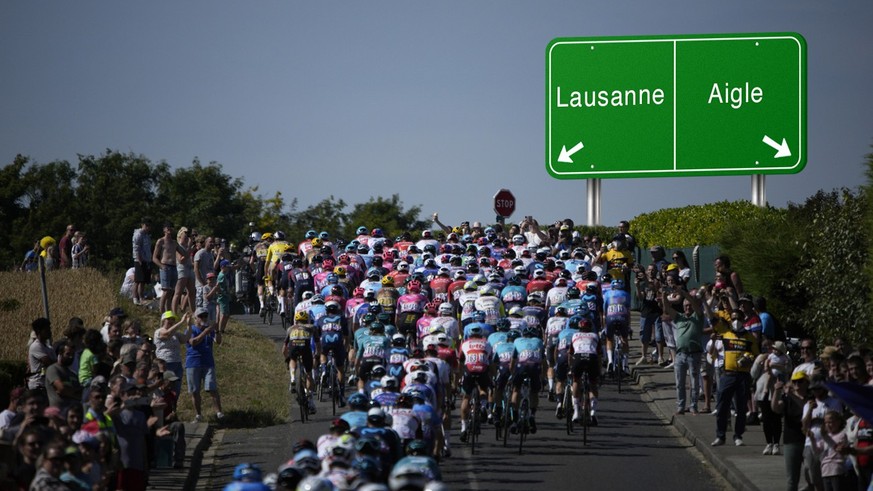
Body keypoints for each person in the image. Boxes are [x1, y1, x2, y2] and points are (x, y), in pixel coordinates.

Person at [711, 308, 759, 447]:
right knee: (722, 406)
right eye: (733, 318)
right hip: (727, 374)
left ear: (743, 320)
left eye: (738, 318)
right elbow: (712, 317)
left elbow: (755, 355)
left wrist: (748, 357)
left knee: (741, 408)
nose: (736, 321)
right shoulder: (726, 335)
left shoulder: (749, 337)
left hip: (743, 375)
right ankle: (720, 435)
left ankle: (738, 435)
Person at [664, 287, 704, 415]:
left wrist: (684, 294)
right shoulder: (679, 317)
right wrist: (664, 296)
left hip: (694, 354)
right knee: (679, 383)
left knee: (694, 382)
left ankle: (693, 406)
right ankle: (681, 406)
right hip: (680, 354)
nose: (688, 308)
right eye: (685, 306)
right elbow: (668, 309)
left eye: (689, 305)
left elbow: (695, 305)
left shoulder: (698, 317)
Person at [186, 307, 224, 422]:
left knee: (212, 388)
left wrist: (217, 331)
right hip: (193, 363)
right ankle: (198, 414)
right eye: (200, 316)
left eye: (205, 316)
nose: (203, 318)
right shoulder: (190, 330)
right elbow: (193, 342)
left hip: (208, 362)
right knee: (195, 390)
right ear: (195, 318)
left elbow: (218, 341)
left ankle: (219, 413)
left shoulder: (209, 330)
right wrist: (205, 332)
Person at [568, 316, 601, 425]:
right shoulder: (595, 335)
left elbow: (570, 353)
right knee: (593, 384)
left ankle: (576, 412)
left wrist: (570, 367)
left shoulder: (575, 335)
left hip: (578, 358)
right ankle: (593, 412)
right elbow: (599, 354)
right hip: (592, 358)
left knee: (576, 381)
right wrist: (600, 370)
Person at [152, 223, 186, 313]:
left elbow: (184, 253)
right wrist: (161, 266)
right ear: (164, 230)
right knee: (166, 290)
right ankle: (161, 311)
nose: (170, 229)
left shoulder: (174, 243)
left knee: (171, 292)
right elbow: (154, 257)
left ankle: (168, 311)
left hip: (174, 267)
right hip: (165, 266)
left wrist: (188, 242)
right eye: (168, 228)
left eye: (171, 227)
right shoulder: (161, 241)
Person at [45, 339, 82, 413]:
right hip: (58, 412)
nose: (71, 357)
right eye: (68, 354)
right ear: (60, 354)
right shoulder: (53, 369)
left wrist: (69, 391)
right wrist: (74, 392)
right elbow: (62, 389)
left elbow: (80, 393)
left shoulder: (73, 374)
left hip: (72, 412)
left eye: (73, 354)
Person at [132, 217, 152, 306]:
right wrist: (139, 259)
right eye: (146, 225)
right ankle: (135, 297)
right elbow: (136, 248)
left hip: (146, 259)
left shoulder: (147, 235)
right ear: (142, 225)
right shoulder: (138, 234)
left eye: (149, 226)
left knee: (143, 281)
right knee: (138, 280)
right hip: (139, 260)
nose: (147, 227)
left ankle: (141, 297)